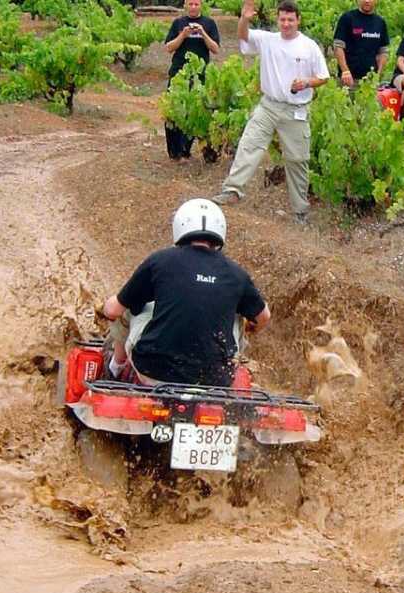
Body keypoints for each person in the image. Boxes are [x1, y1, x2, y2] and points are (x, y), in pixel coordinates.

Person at [102, 198, 271, 387]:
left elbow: (113, 311)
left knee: (130, 304)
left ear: (180, 228)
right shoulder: (236, 273)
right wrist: (250, 328)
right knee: (239, 314)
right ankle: (226, 365)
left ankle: (115, 367)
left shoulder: (160, 261)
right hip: (216, 380)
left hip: (153, 371)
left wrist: (110, 304)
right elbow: (264, 317)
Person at [211, 0, 329, 224]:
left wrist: (306, 83)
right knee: (249, 143)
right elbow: (244, 36)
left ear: (298, 20)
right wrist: (244, 18)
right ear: (277, 20)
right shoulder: (268, 40)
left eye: (290, 20)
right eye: (282, 19)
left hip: (296, 110)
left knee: (297, 160)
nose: (286, 24)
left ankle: (300, 210)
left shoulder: (309, 46)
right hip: (268, 105)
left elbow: (323, 77)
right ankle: (233, 190)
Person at [163, 0, 220, 161]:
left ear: (201, 5)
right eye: (190, 4)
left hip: (200, 75)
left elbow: (215, 49)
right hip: (178, 74)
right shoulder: (178, 23)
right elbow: (169, 48)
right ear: (185, 5)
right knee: (173, 111)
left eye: (196, 4)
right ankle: (174, 152)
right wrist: (183, 35)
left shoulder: (209, 23)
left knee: (195, 111)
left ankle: (185, 150)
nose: (193, 7)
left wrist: (203, 34)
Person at [333, 0, 389, 87]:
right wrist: (345, 71)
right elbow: (338, 46)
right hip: (349, 79)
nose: (367, 1)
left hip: (370, 81)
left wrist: (378, 75)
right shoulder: (347, 18)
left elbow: (383, 52)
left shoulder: (380, 22)